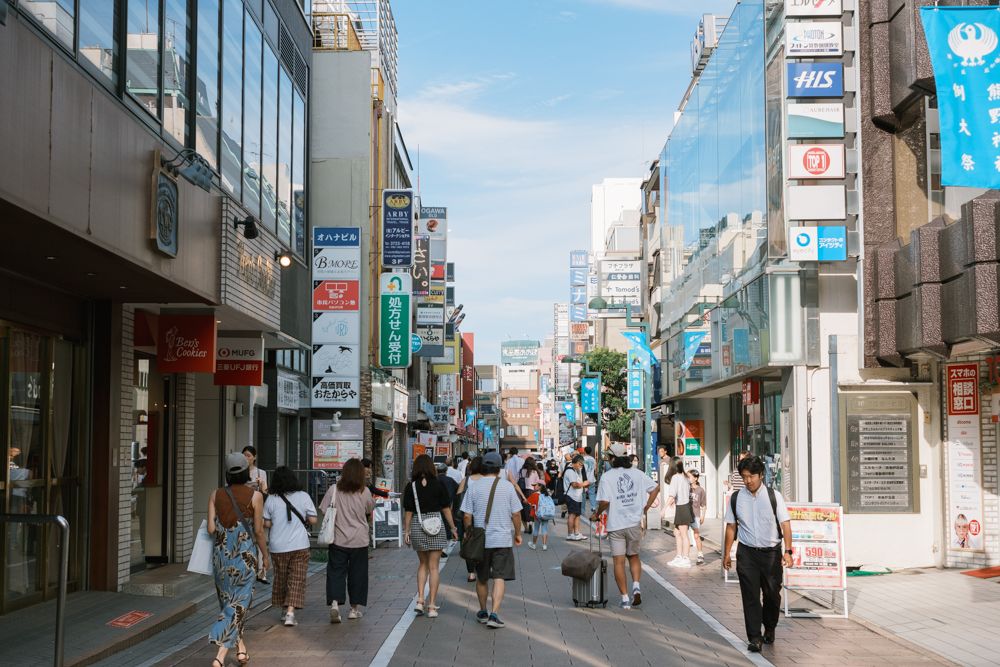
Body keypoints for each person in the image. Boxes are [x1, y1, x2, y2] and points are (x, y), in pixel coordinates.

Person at [723, 456, 793, 653]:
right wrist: (727, 553)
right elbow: (731, 527)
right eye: (744, 477)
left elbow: (785, 524)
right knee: (750, 596)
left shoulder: (773, 496)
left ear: (761, 475)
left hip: (771, 553)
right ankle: (754, 637)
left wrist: (788, 551)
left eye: (751, 476)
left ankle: (769, 627)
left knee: (772, 594)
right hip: (747, 553)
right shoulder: (736, 498)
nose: (748, 481)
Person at [207, 453, 270, 667]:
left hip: (221, 558)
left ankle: (241, 651)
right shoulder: (256, 496)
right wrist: (266, 556)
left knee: (229, 604)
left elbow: (211, 529)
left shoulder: (215, 494)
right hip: (245, 558)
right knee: (239, 605)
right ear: (245, 472)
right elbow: (259, 531)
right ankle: (220, 655)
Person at [591, 442, 659, 610]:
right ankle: (636, 586)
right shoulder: (637, 473)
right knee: (634, 556)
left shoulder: (607, 477)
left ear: (612, 458)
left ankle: (625, 598)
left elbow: (605, 501)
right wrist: (645, 508)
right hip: (634, 523)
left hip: (616, 525)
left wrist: (597, 514)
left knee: (619, 562)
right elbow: (655, 489)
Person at [460, 451, 523, 629]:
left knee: (481, 578)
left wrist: (469, 532)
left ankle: (482, 611)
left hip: (481, 541)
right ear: (499, 468)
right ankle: (494, 614)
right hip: (502, 539)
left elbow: (466, 516)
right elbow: (516, 514)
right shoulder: (508, 487)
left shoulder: (474, 487)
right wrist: (518, 534)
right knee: (499, 577)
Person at [320, 458, 376, 623]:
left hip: (338, 539)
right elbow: (370, 508)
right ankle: (353, 609)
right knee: (358, 574)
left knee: (336, 572)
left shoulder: (334, 489)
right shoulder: (364, 491)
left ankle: (335, 604)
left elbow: (323, 510)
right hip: (359, 540)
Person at [402, 454, 458, 618]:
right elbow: (446, 508)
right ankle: (432, 606)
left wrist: (407, 531)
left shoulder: (411, 486)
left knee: (423, 564)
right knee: (434, 567)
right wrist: (453, 528)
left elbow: (408, 511)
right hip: (436, 525)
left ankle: (420, 601)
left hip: (418, 525)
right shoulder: (438, 484)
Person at [263, 466, 317, 627]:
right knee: (296, 579)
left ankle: (283, 609)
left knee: (281, 578)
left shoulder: (271, 499)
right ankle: (290, 613)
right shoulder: (303, 496)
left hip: (278, 546)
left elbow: (266, 523)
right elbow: (313, 520)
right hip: (300, 545)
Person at [457, 456, 484, 582]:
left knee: (468, 541)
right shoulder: (487, 480)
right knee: (482, 541)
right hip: (482, 516)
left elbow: (458, 497)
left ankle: (471, 573)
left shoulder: (466, 480)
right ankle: (482, 567)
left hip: (467, 515)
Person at [665, 457, 693, 568]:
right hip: (684, 506)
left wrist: (664, 509)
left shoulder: (675, 477)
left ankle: (686, 558)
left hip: (682, 507)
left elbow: (672, 495)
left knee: (684, 534)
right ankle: (679, 556)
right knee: (677, 533)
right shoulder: (685, 477)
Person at [563, 455, 589, 541]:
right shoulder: (570, 471)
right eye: (581, 465)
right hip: (571, 496)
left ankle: (577, 533)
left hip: (577, 496)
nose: (581, 467)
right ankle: (570, 534)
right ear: (577, 463)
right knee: (572, 515)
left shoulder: (575, 470)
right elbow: (574, 485)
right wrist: (584, 484)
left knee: (577, 515)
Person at [526, 478, 554, 551]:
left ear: (540, 486)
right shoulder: (547, 495)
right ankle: (544, 545)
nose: (534, 487)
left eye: (535, 485)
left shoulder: (535, 495)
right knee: (544, 529)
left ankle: (534, 544)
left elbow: (527, 502)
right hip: (546, 514)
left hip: (537, 515)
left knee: (536, 529)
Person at [687, 469, 707, 565]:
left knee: (696, 535)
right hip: (686, 514)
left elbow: (703, 505)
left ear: (696, 478)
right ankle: (684, 556)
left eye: (689, 477)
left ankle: (700, 555)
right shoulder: (686, 487)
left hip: (695, 515)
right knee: (684, 535)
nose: (688, 478)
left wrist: (703, 516)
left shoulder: (700, 490)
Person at [582, 446, 597, 511]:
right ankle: (593, 507)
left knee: (583, 495)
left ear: (584, 451)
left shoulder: (582, 459)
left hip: (584, 480)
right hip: (592, 479)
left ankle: (582, 510)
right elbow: (595, 469)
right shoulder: (593, 459)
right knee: (592, 494)